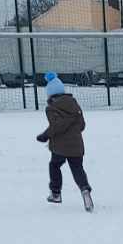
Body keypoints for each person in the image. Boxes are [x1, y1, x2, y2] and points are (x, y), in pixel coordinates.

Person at [36, 72, 91, 209]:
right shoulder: (74, 105)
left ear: (50, 94)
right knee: (77, 169)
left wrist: (45, 135)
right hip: (77, 145)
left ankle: (55, 193)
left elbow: (56, 126)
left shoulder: (51, 108)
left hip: (59, 147)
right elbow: (82, 125)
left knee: (54, 165)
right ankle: (84, 190)